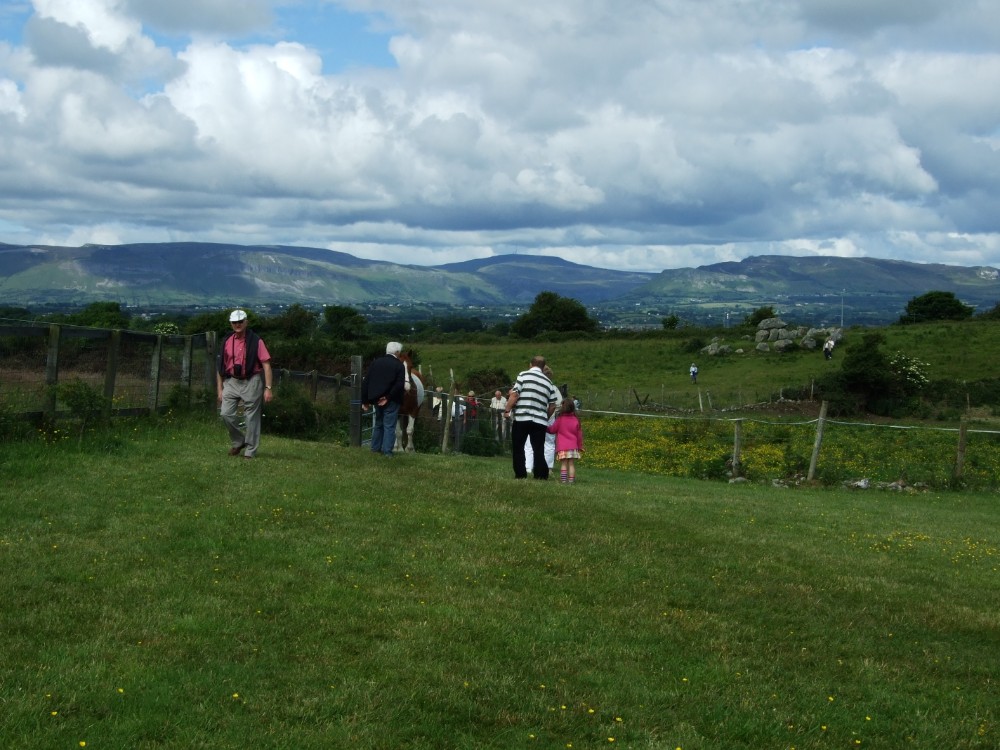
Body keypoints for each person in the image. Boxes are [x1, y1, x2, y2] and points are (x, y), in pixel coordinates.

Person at [216, 309, 274, 459]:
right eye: (234, 322)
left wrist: (268, 388)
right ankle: (238, 441)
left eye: (240, 321)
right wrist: (220, 389)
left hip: (252, 381)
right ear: (231, 324)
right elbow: (220, 367)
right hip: (232, 381)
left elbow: (266, 365)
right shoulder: (227, 341)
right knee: (225, 414)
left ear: (246, 322)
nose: (238, 324)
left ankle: (250, 451)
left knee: (251, 418)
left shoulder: (256, 341)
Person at [505, 355, 560, 480]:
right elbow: (552, 405)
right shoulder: (549, 383)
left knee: (519, 447)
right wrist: (544, 417)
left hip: (522, 418)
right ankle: (541, 475)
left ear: (531, 364)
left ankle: (520, 474)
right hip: (539, 420)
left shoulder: (523, 375)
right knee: (538, 449)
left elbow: (514, 395)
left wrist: (507, 409)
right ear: (543, 366)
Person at [361, 341, 407, 457]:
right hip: (391, 400)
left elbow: (367, 382)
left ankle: (375, 448)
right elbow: (399, 385)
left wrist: (365, 400)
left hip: (376, 399)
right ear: (397, 352)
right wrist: (388, 397)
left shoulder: (375, 363)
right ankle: (387, 451)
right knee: (389, 426)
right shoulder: (399, 365)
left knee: (378, 423)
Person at [547, 399, 585, 483]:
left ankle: (564, 481)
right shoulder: (576, 420)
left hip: (563, 447)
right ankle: (571, 480)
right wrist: (580, 446)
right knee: (571, 464)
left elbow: (552, 430)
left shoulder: (560, 420)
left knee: (564, 464)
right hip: (573, 446)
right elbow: (579, 435)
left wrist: (545, 428)